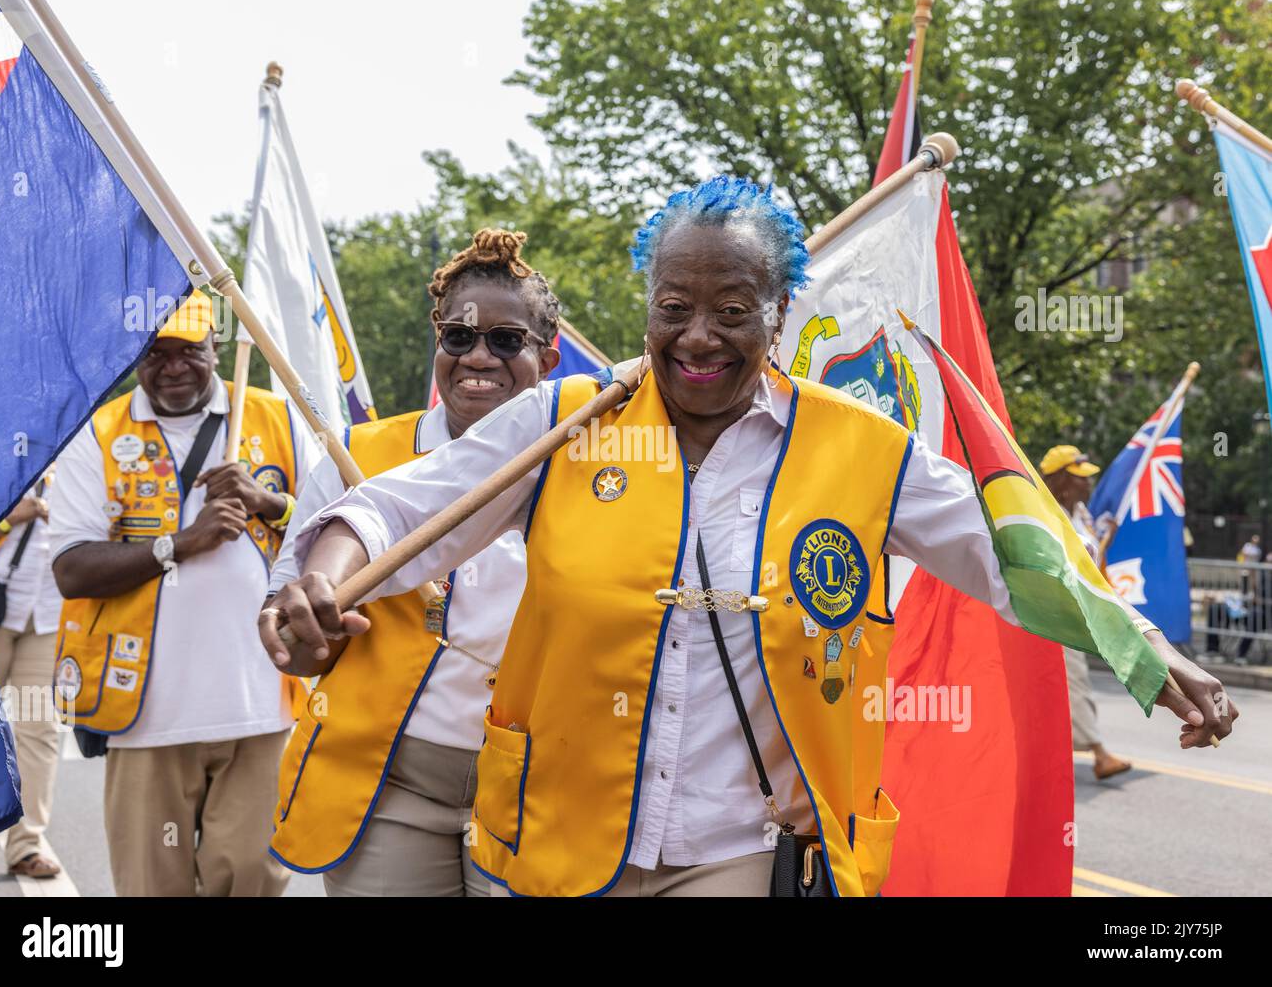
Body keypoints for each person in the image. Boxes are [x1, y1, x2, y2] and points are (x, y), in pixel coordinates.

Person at [262, 176, 1236, 898]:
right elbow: (397, 511)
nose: (697, 338)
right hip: (553, 844)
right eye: (672, 308)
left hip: (735, 847)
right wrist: (322, 582)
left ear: (779, 314)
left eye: (732, 312)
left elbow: (1011, 556)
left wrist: (1145, 651)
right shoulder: (567, 422)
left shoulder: (863, 451)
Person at [266, 229, 561, 896]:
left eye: (507, 340)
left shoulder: (591, 467)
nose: (478, 356)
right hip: (387, 787)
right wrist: (310, 633)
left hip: (540, 789)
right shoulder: (358, 457)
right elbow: (296, 648)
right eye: (458, 337)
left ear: (550, 354)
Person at [49, 290, 321, 896]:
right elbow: (71, 568)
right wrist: (180, 543)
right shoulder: (99, 432)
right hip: (146, 713)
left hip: (262, 703)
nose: (172, 367)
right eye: (156, 353)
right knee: (153, 884)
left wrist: (267, 501)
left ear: (215, 346)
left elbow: (334, 527)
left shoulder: (276, 418)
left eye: (188, 352)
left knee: (250, 875)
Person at [0, 476, 62, 876]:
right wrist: (11, 520)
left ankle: (27, 845)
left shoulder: (82, 462)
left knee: (39, 728)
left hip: (49, 616)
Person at [1039, 445, 1132, 780]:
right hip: (1056, 612)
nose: (1087, 485)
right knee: (1072, 680)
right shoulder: (1046, 511)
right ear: (1061, 480)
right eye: (1080, 479)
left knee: (1052, 687)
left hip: (1078, 611)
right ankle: (1098, 752)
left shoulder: (1079, 513)